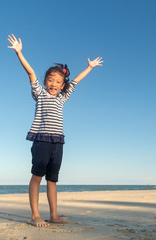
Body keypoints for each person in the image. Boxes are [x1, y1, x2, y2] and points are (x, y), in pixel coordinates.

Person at [7, 34, 103, 227]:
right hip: (41, 140)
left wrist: (90, 67)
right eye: (50, 80)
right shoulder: (40, 94)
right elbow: (31, 73)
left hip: (58, 142)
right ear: (45, 82)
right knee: (37, 176)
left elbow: (75, 81)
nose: (53, 84)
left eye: (58, 82)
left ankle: (54, 215)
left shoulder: (62, 98)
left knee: (52, 180)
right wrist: (19, 53)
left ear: (62, 86)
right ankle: (35, 215)